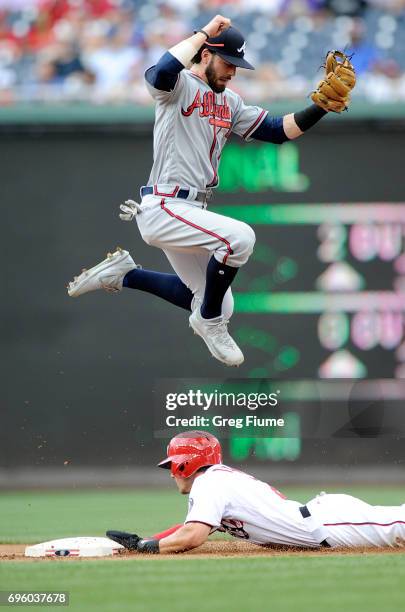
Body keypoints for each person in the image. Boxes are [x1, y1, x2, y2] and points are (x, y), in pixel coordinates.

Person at [67, 15, 338, 366]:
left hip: (192, 210)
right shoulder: (178, 86)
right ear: (206, 54)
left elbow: (277, 131)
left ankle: (126, 275)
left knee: (219, 300)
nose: (233, 72)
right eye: (228, 62)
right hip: (164, 205)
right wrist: (204, 33)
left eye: (238, 66)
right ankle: (208, 322)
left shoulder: (231, 102)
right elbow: (160, 71)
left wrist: (320, 107)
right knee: (239, 239)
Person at [106, 430, 405, 553]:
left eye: (173, 465)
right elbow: (190, 528)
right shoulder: (214, 483)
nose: (171, 473)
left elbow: (193, 535)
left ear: (185, 465)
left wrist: (147, 547)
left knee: (398, 526)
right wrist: (148, 540)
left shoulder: (211, 483)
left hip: (325, 523)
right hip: (321, 522)